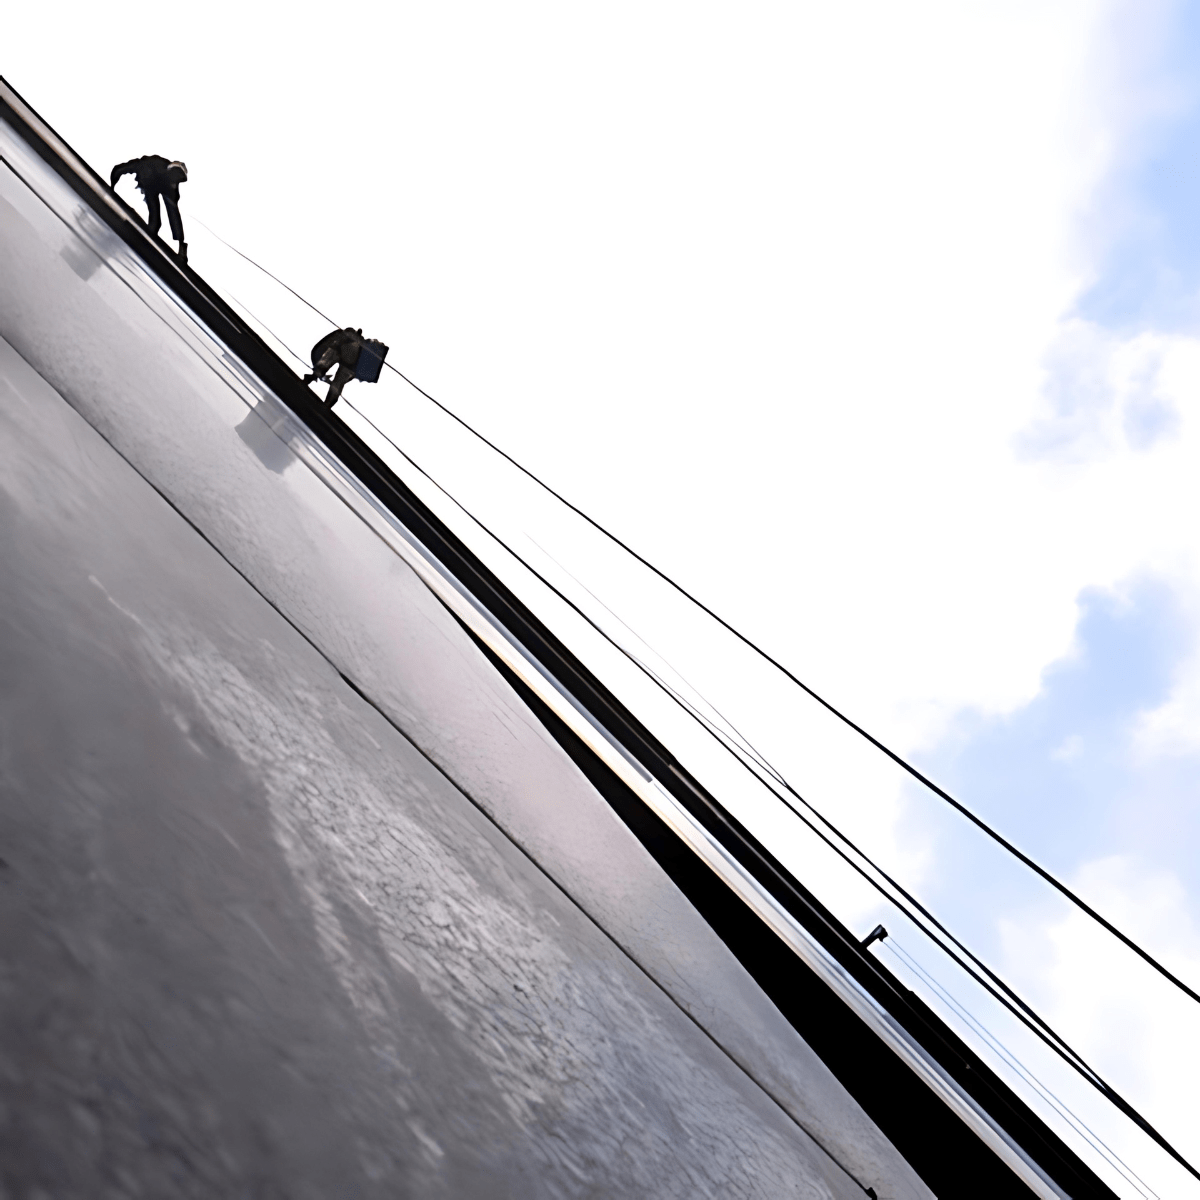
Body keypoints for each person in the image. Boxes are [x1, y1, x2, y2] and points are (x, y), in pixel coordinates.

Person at [109, 155, 189, 262]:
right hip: (148, 179)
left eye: (178, 179)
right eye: (176, 177)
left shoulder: (172, 188)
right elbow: (124, 168)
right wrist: (111, 189)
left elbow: (174, 215)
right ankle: (145, 236)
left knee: (156, 223)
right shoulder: (153, 164)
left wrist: (181, 246)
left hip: (153, 183)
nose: (175, 181)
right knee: (155, 222)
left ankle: (145, 240)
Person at [303, 328, 364, 408]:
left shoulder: (357, 341)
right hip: (342, 355)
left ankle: (329, 401)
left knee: (336, 379)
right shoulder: (352, 335)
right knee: (327, 368)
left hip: (346, 360)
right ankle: (328, 402)